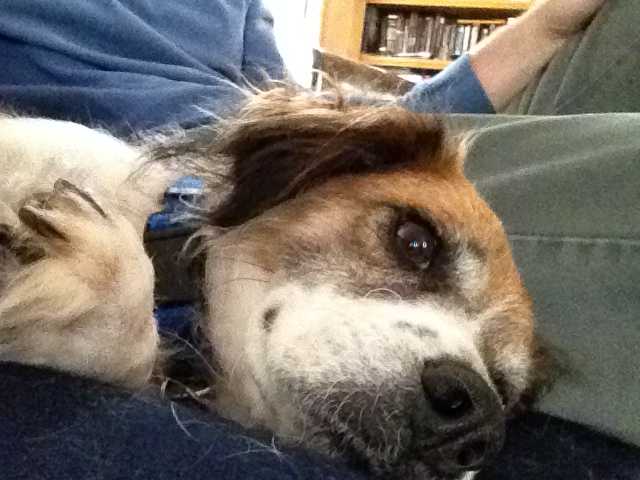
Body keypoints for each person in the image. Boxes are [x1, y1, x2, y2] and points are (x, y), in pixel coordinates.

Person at [1, 1, 640, 480]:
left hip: (241, 150)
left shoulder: (240, 14)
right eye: (414, 247)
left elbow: (347, 134)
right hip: (143, 162)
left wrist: (543, 31)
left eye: (495, 396)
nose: (466, 409)